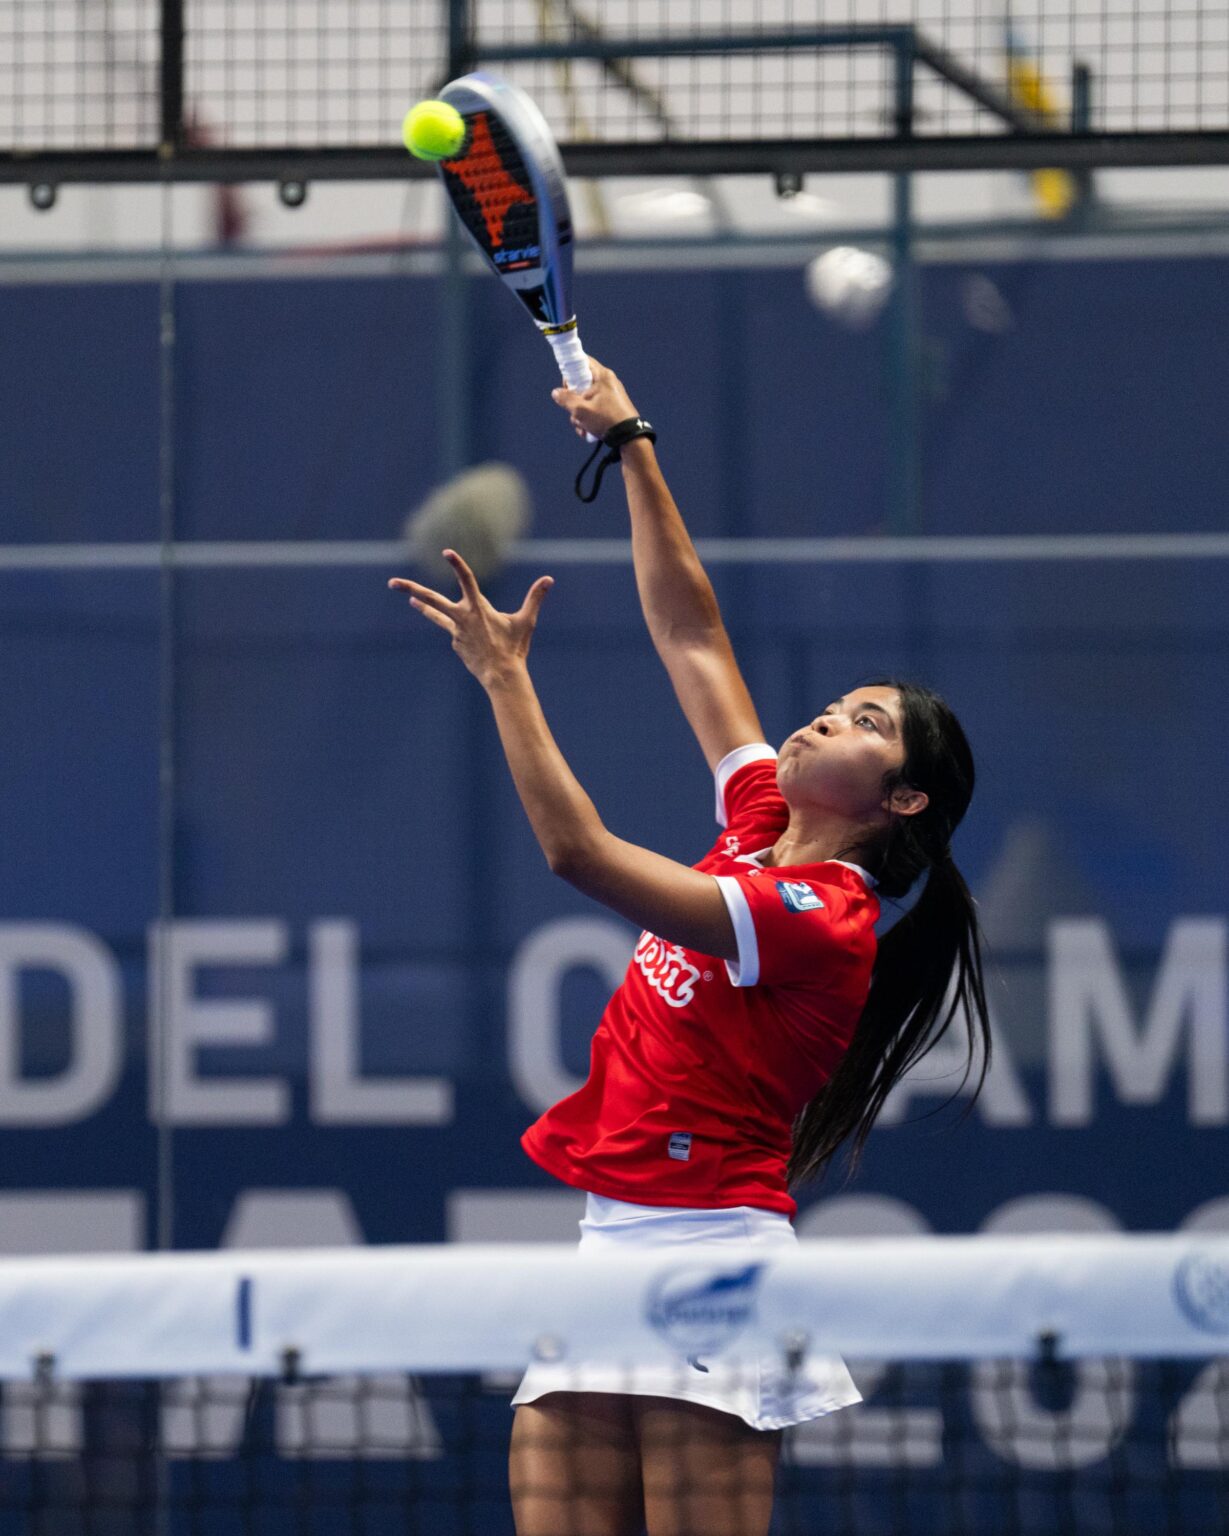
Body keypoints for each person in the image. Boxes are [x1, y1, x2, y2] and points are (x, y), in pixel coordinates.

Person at [390, 357, 990, 1536]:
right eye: (840, 701)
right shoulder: (757, 823)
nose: (829, 714)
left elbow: (577, 854)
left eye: (867, 724)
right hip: (604, 1240)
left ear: (902, 799)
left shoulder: (820, 917)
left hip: (715, 1260)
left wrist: (506, 681)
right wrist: (631, 443)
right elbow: (691, 634)